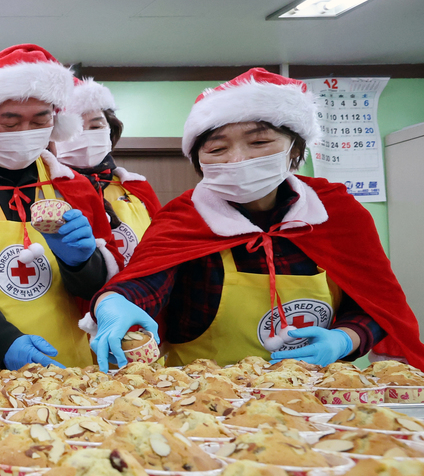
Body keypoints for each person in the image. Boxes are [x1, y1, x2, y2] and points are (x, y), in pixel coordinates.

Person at [91, 68, 424, 370]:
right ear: (199, 159)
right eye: (217, 149)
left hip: (312, 398)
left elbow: (374, 303)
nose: (238, 160)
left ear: (294, 148)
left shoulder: (337, 214)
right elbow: (147, 283)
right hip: (200, 397)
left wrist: (346, 339)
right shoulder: (184, 218)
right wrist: (114, 302)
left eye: (259, 142)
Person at [0, 44, 115, 369]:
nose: (25, 133)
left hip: (67, 364)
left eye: (39, 121)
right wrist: (4, 342)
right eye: (10, 123)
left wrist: (83, 262)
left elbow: (101, 289)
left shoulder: (75, 188)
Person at [51, 78, 160, 268]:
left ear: (110, 130)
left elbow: (163, 244)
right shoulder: (44, 188)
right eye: (73, 130)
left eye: (96, 127)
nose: (85, 137)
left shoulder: (137, 187)